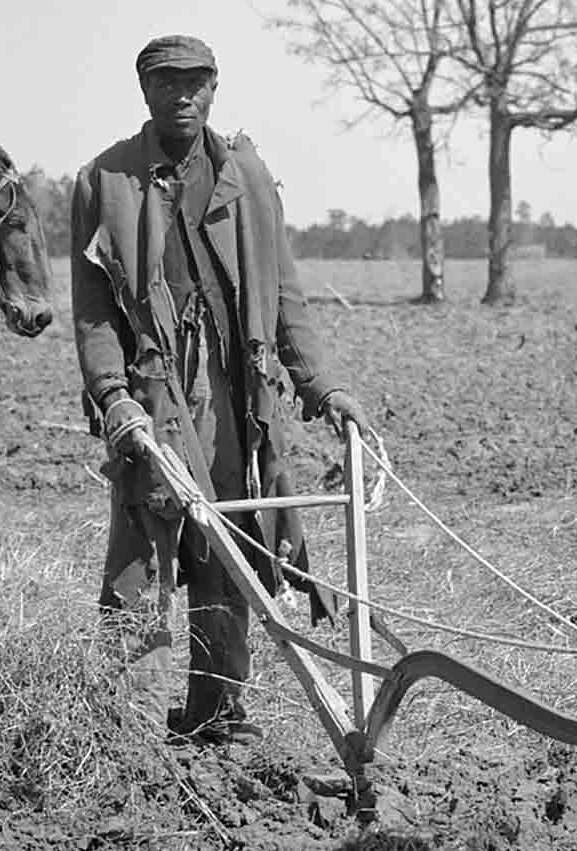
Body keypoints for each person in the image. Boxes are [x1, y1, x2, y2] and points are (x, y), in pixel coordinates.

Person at [70, 34, 370, 744]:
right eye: (167, 82)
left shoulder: (248, 175)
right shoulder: (106, 182)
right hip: (156, 388)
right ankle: (129, 723)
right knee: (147, 544)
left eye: (197, 82)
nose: (183, 95)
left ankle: (218, 710)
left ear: (214, 89)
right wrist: (113, 394)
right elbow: (92, 309)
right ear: (144, 91)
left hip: (240, 390)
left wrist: (321, 385)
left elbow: (284, 291)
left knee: (232, 539)